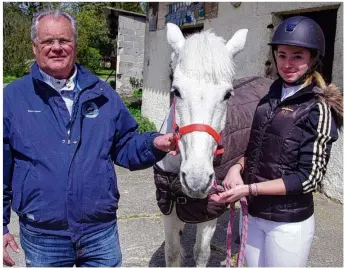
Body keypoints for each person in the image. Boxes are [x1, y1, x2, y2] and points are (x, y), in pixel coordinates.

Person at [3, 10, 177, 267]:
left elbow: (125, 146)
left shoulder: (103, 94)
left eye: (64, 40)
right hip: (43, 235)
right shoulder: (13, 98)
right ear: (35, 47)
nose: (57, 47)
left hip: (99, 232)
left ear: (75, 44)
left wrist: (154, 144)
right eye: (47, 41)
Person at [210, 16, 343, 267]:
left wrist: (248, 189)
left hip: (287, 222)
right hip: (254, 213)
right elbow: (257, 148)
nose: (287, 64)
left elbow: (309, 177)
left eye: (297, 56)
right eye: (282, 55)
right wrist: (236, 168)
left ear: (313, 58)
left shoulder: (319, 107)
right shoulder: (269, 97)